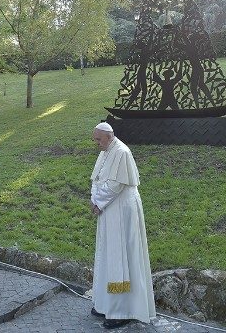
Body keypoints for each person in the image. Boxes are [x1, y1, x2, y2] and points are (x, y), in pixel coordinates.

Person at [89, 122, 156, 329]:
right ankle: (104, 303)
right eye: (95, 139)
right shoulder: (106, 150)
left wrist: (98, 201)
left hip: (122, 210)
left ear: (110, 136)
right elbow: (98, 178)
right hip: (110, 209)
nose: (96, 143)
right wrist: (95, 199)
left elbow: (116, 185)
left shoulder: (122, 152)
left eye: (99, 139)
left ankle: (123, 310)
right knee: (108, 255)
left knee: (122, 256)